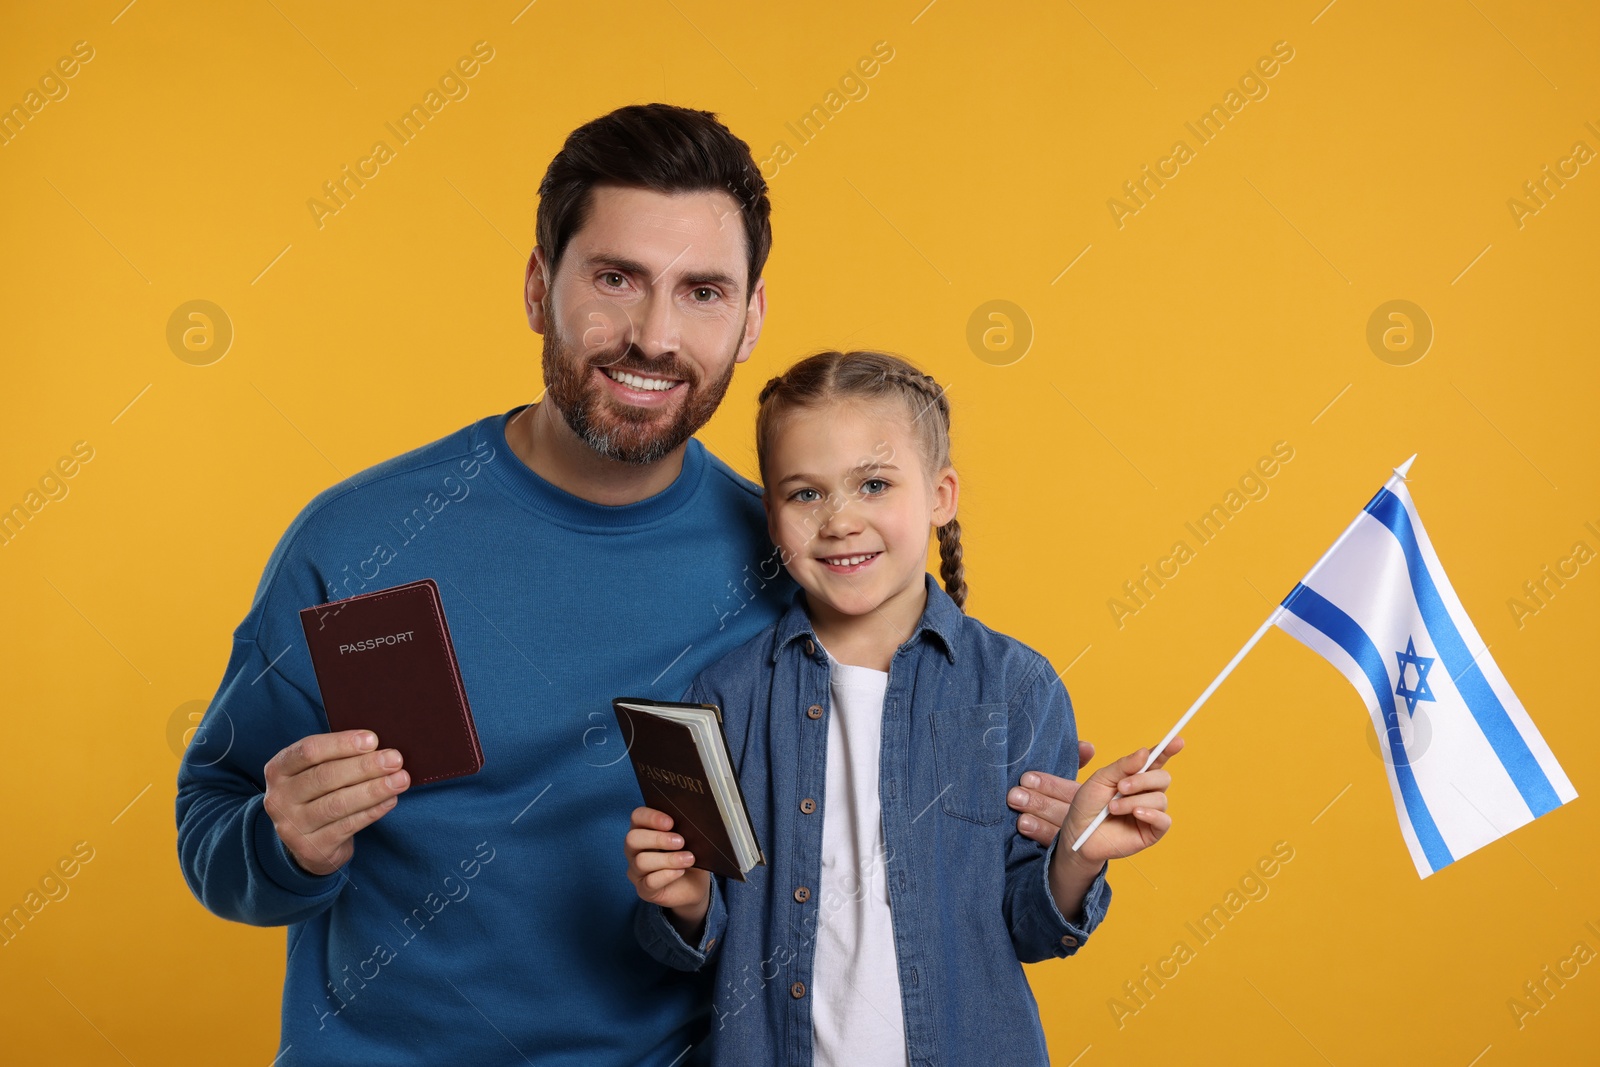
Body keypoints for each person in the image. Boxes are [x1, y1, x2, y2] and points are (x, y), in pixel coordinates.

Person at [175, 104, 1085, 1065]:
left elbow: (906, 772)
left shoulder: (797, 565)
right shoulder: (356, 541)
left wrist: (1036, 810)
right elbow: (214, 821)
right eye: (616, 279)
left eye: (702, 291)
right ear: (539, 287)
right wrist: (284, 844)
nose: (654, 335)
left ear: (750, 319)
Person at [625, 350, 1184, 1065]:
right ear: (771, 517)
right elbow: (697, 943)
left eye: (874, 483)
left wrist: (1075, 852)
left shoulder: (1017, 688)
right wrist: (685, 896)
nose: (839, 520)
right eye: (805, 494)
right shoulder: (724, 697)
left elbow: (1033, 928)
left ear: (941, 495)